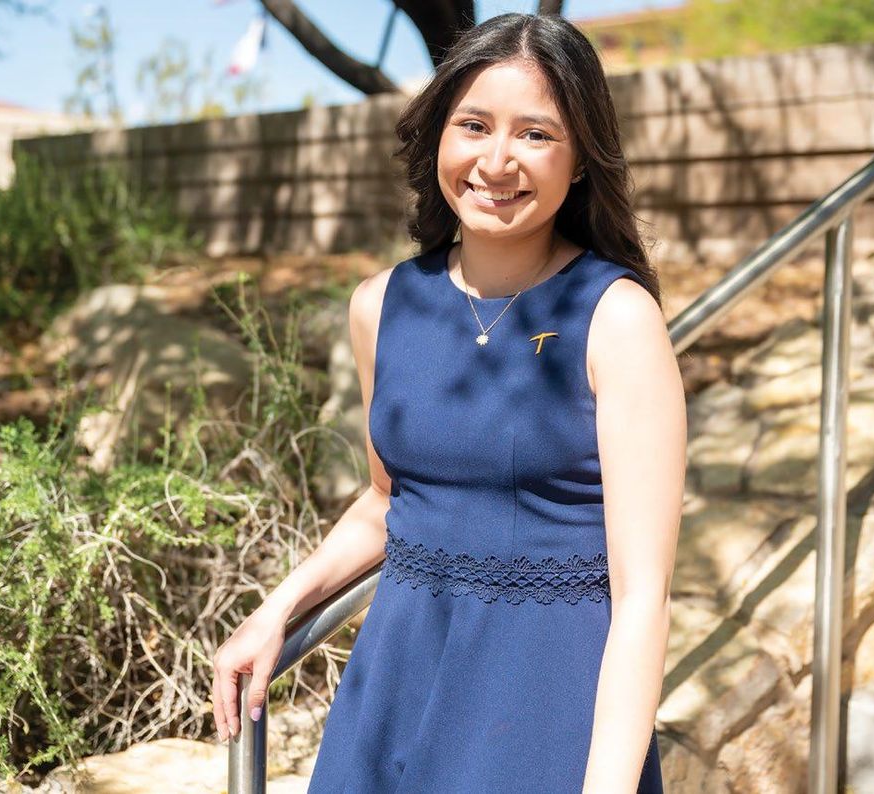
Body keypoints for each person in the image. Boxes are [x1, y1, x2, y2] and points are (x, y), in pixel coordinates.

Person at [210, 12, 686, 793]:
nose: (496, 161)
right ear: (438, 135)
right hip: (395, 691)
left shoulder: (617, 319)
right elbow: (385, 501)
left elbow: (643, 597)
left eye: (536, 134)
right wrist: (277, 612)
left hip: (547, 706)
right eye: (474, 125)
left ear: (580, 161)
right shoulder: (380, 306)